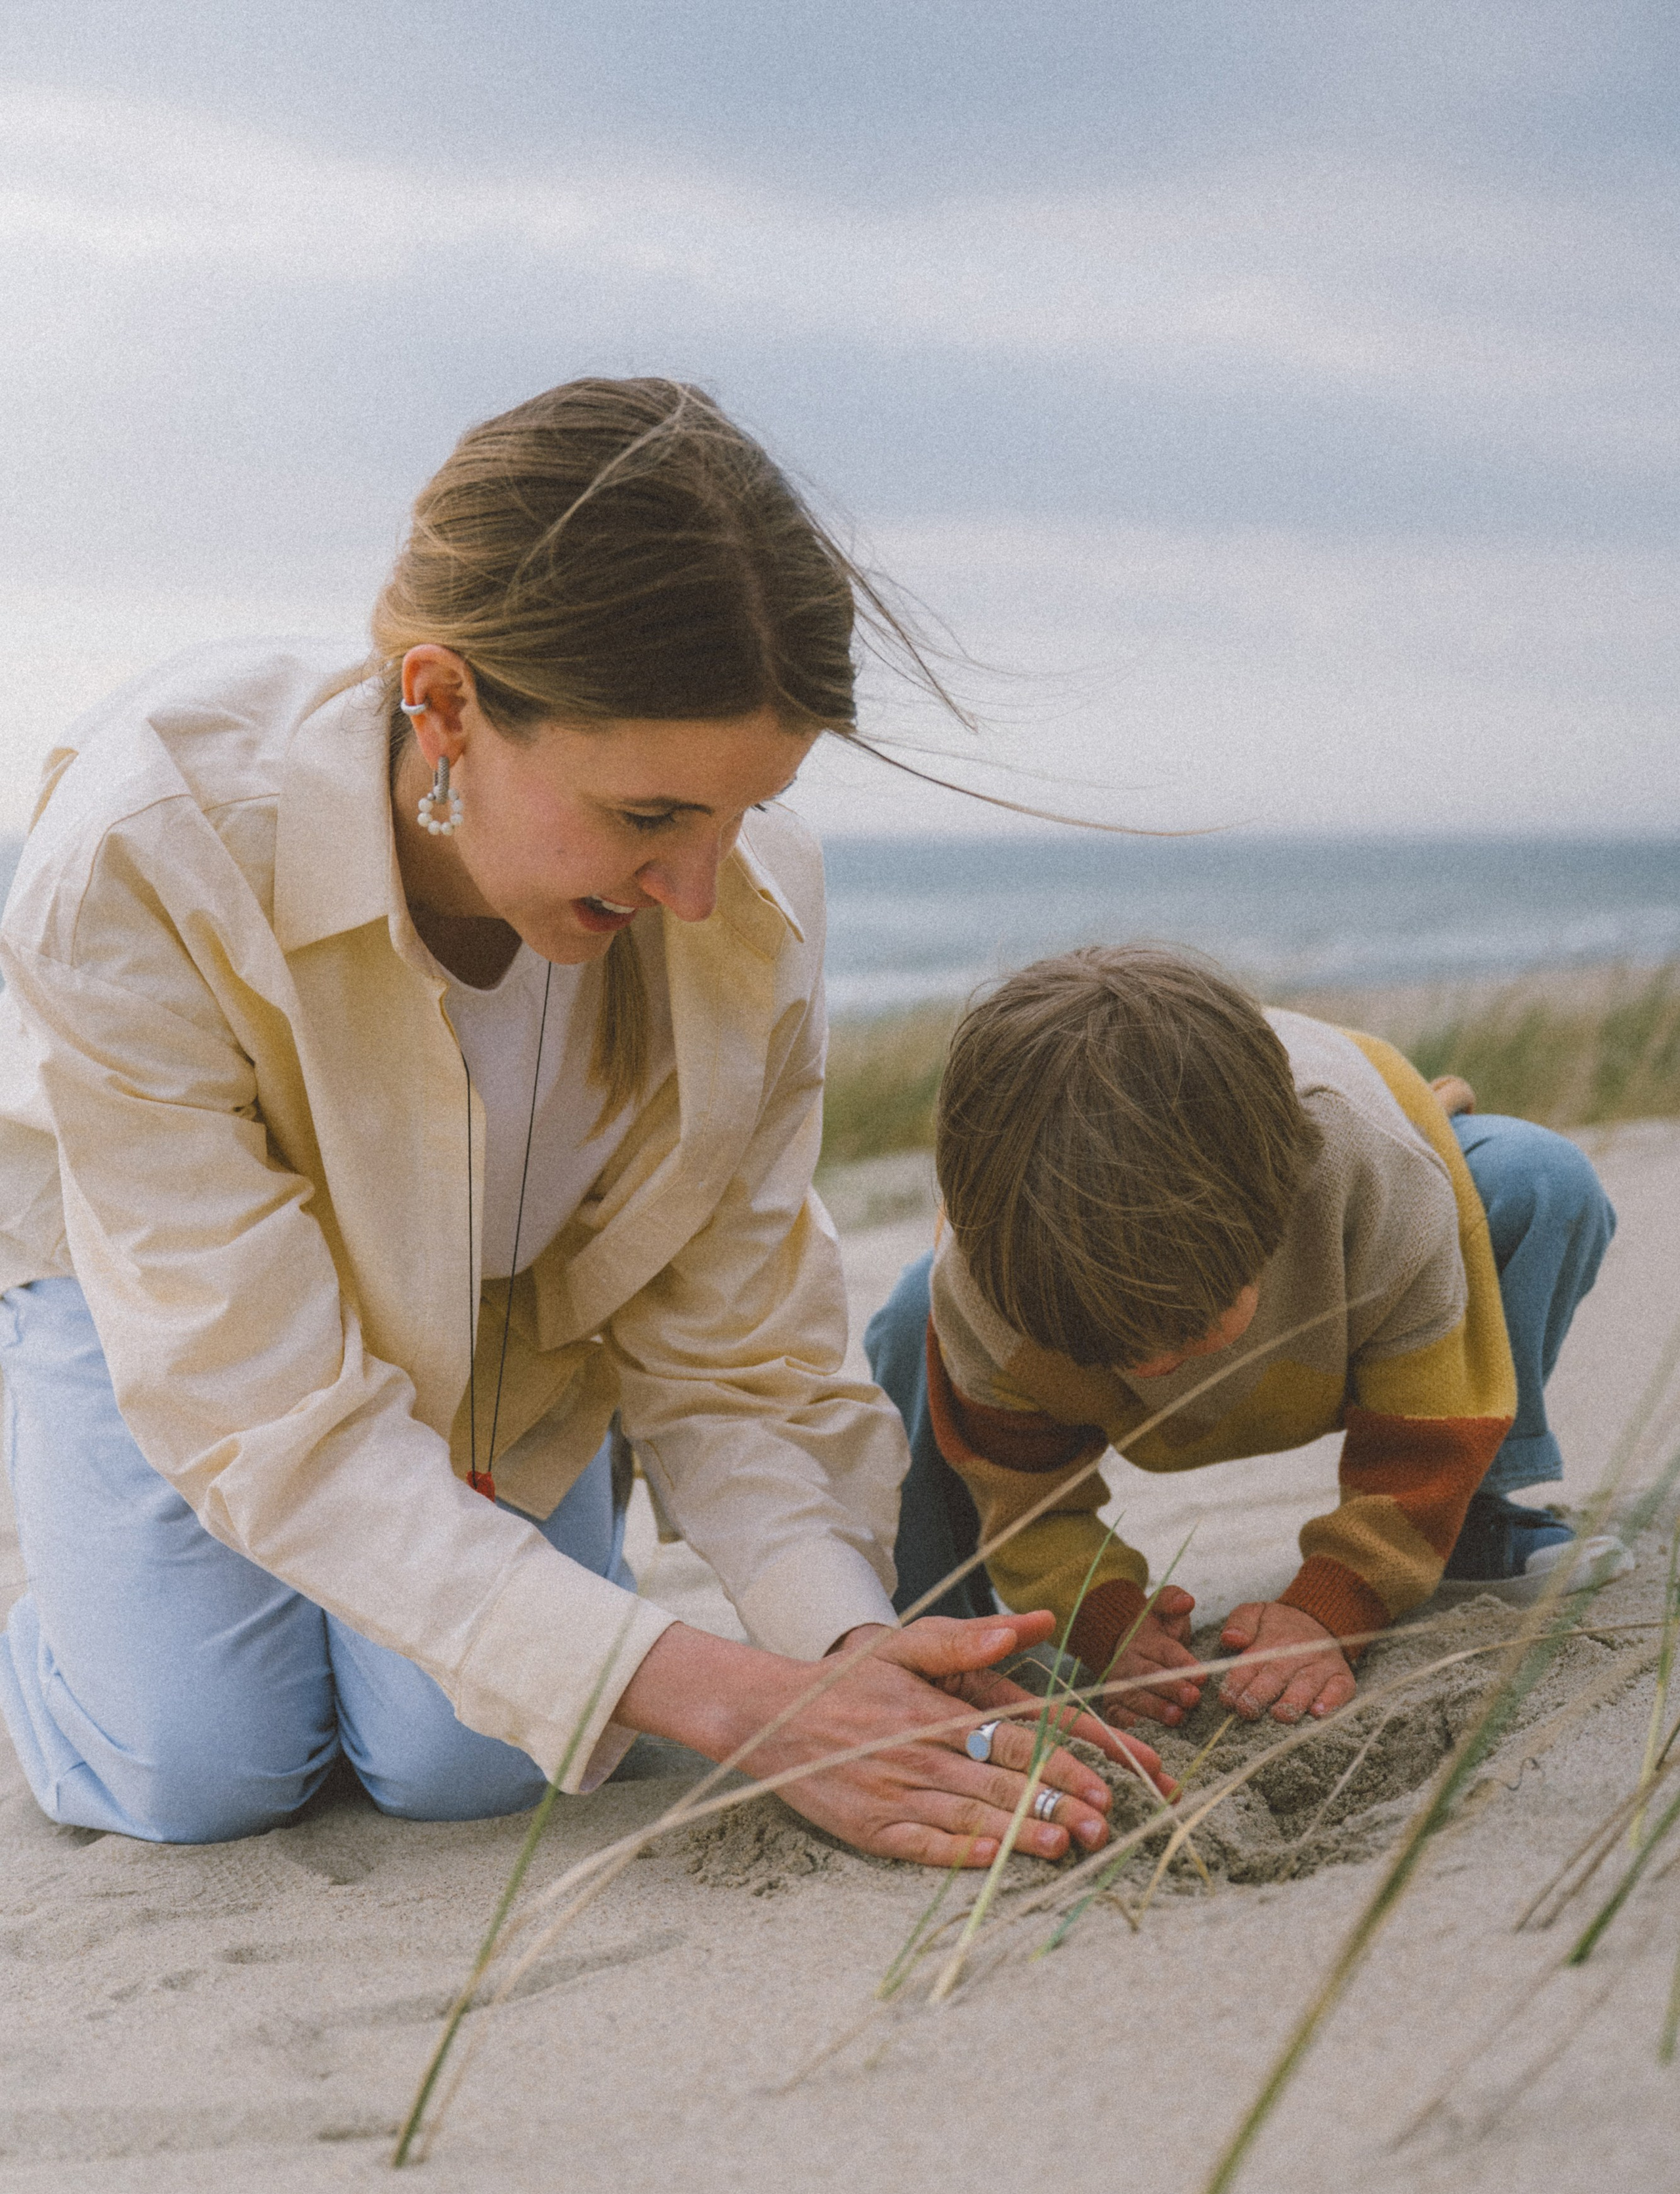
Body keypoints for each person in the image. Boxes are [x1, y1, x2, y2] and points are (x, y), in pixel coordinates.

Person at [0, 378, 1166, 1865]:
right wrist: (739, 1708)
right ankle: (68, 1605)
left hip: (500, 1317)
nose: (701, 889)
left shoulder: (745, 900)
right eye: (648, 817)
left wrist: (842, 1653)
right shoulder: (145, 850)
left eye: (745, 811)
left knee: (471, 1763)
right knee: (200, 1765)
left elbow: (733, 1347)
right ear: (443, 706)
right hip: (163, 1306)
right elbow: (257, 1404)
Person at [866, 945, 1622, 1730]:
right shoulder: (986, 1287)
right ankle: (938, 1630)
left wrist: (1333, 1605)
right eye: (1111, 1349)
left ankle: (1465, 1524)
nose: (1156, 1365)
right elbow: (1026, 1504)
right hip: (1054, 1316)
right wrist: (1103, 1619)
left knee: (1539, 1179)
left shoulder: (1372, 1172)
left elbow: (1426, 1430)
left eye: (1190, 1325)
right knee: (911, 1318)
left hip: (1340, 1320)